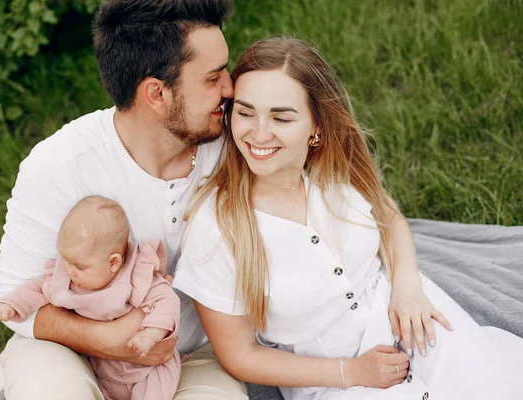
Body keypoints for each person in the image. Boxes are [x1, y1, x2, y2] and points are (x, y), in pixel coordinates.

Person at [173, 37, 523, 399]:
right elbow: (240, 355)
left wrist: (407, 286)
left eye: (281, 117)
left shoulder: (333, 169)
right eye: (245, 112)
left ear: (316, 127)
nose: (259, 133)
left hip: (405, 319)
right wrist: (352, 372)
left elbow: (392, 219)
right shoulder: (217, 226)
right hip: (331, 376)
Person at [0, 0, 248, 399]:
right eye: (213, 78)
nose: (230, 88)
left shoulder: (240, 140)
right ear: (157, 94)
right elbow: (13, 292)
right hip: (74, 350)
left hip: (191, 355)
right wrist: (107, 338)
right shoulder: (59, 166)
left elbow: (333, 177)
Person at [0, 195, 181, 400]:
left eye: (79, 266)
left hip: (147, 371)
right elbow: (38, 288)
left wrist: (151, 334)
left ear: (113, 263)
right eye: (65, 260)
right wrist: (12, 303)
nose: (68, 270)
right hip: (103, 369)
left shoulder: (135, 276)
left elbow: (166, 301)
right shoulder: (70, 279)